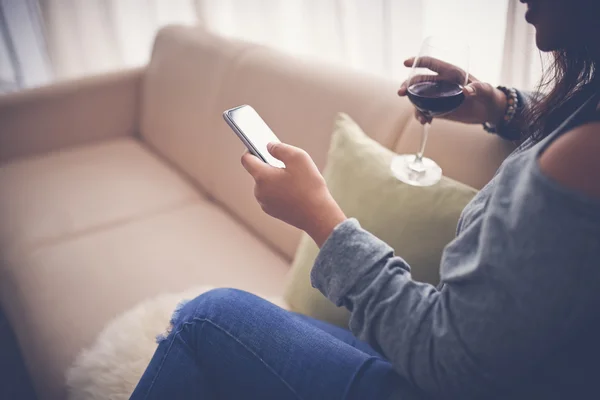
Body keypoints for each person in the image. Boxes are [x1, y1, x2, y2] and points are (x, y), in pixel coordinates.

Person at [131, 0, 600, 398]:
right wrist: (501, 105)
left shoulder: (587, 153)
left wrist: (320, 218)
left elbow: (449, 361)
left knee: (205, 318)